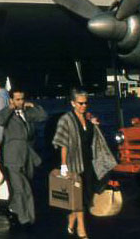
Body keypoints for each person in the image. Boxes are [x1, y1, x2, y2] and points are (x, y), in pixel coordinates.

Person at [52, 89, 117, 239]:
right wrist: (63, 165)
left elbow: (93, 141)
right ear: (73, 103)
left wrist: (94, 125)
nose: (83, 106)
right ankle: (82, 230)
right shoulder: (66, 120)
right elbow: (63, 144)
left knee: (85, 196)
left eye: (86, 103)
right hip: (73, 164)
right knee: (78, 198)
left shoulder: (88, 121)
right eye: (80, 103)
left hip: (88, 163)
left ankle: (71, 221)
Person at [0, 88, 47, 227]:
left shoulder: (27, 112)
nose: (20, 102)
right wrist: (11, 107)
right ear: (11, 100)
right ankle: (27, 219)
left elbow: (43, 116)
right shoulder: (7, 114)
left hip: (28, 155)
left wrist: (33, 105)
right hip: (13, 156)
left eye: (22, 99)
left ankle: (13, 208)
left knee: (27, 184)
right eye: (17, 99)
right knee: (22, 189)